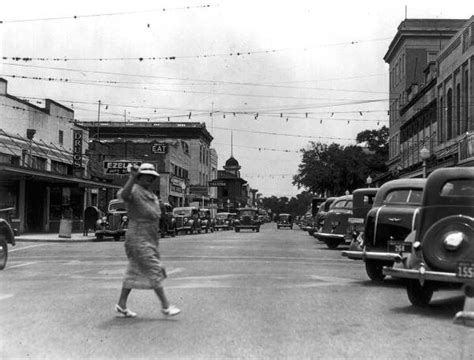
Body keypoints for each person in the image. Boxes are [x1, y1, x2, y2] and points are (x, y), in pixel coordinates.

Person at [115, 163, 181, 318]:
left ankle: (122, 304)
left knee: (133, 271)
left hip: (150, 237)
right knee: (153, 268)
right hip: (138, 237)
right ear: (139, 177)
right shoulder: (134, 190)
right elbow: (124, 195)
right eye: (146, 176)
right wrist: (131, 178)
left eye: (152, 177)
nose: (150, 179)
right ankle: (165, 306)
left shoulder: (151, 195)